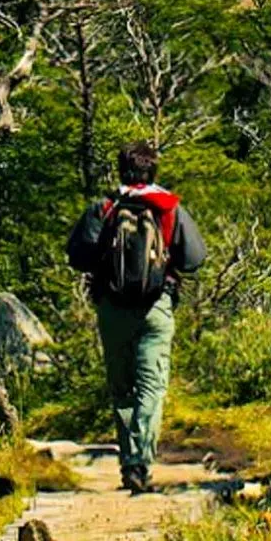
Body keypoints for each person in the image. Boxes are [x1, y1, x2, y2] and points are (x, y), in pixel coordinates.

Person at [65, 142, 206, 494]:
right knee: (151, 387)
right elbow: (193, 258)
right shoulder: (169, 208)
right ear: (152, 171)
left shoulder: (106, 207)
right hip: (156, 307)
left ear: (121, 169)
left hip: (112, 309)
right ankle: (142, 462)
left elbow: (78, 257)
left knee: (122, 388)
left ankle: (129, 462)